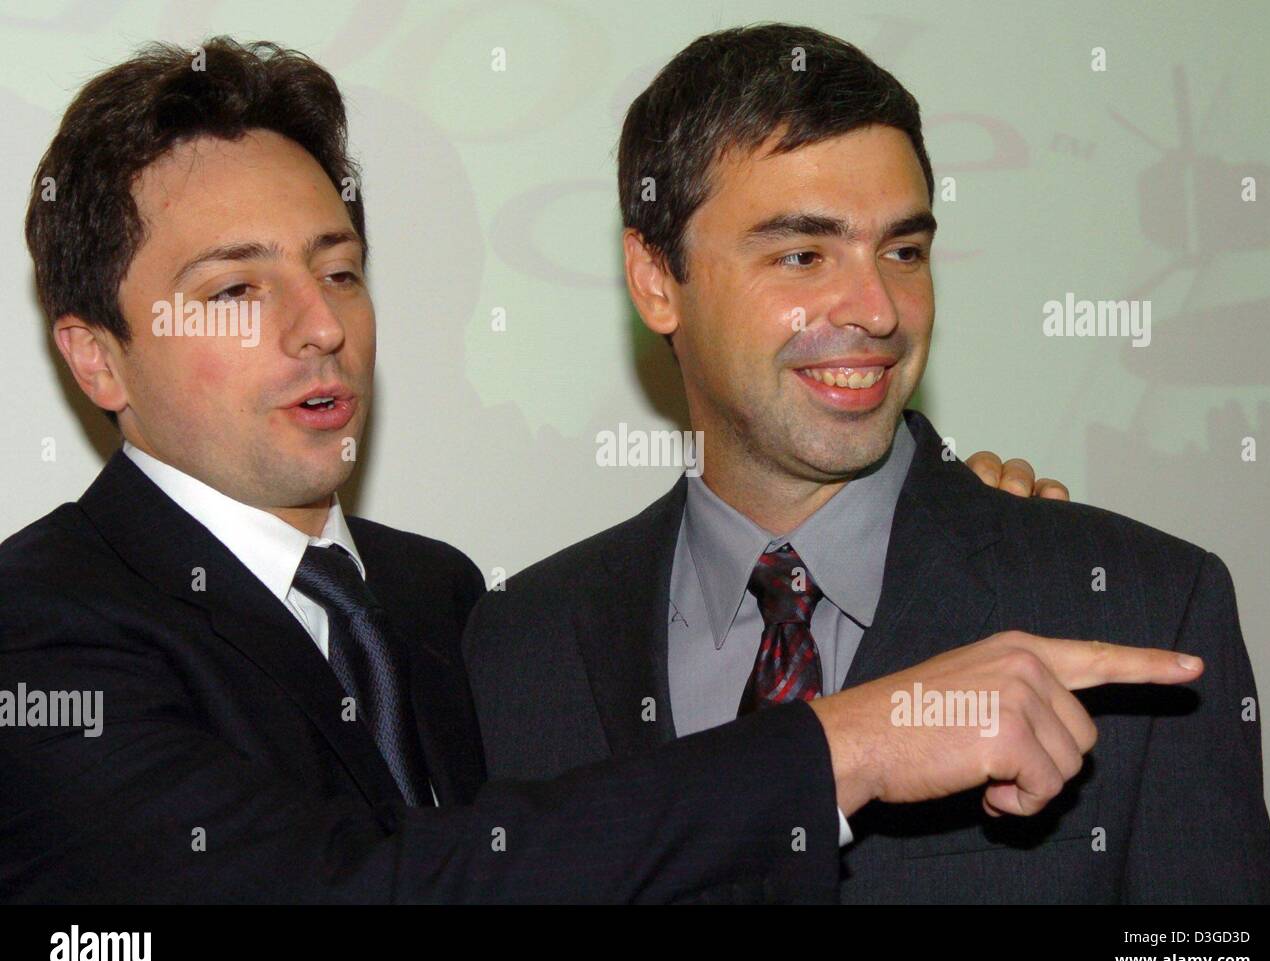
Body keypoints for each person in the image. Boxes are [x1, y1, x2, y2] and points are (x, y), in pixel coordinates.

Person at [0, 36, 1114, 904]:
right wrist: (840, 747)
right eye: (237, 288)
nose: (319, 327)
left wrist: (947, 535)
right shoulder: (41, 627)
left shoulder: (451, 604)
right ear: (98, 351)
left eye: (339, 271)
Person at [464, 24, 1270, 903]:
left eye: (903, 251)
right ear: (657, 279)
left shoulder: (1138, 610)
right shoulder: (521, 646)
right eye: (802, 254)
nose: (878, 308)